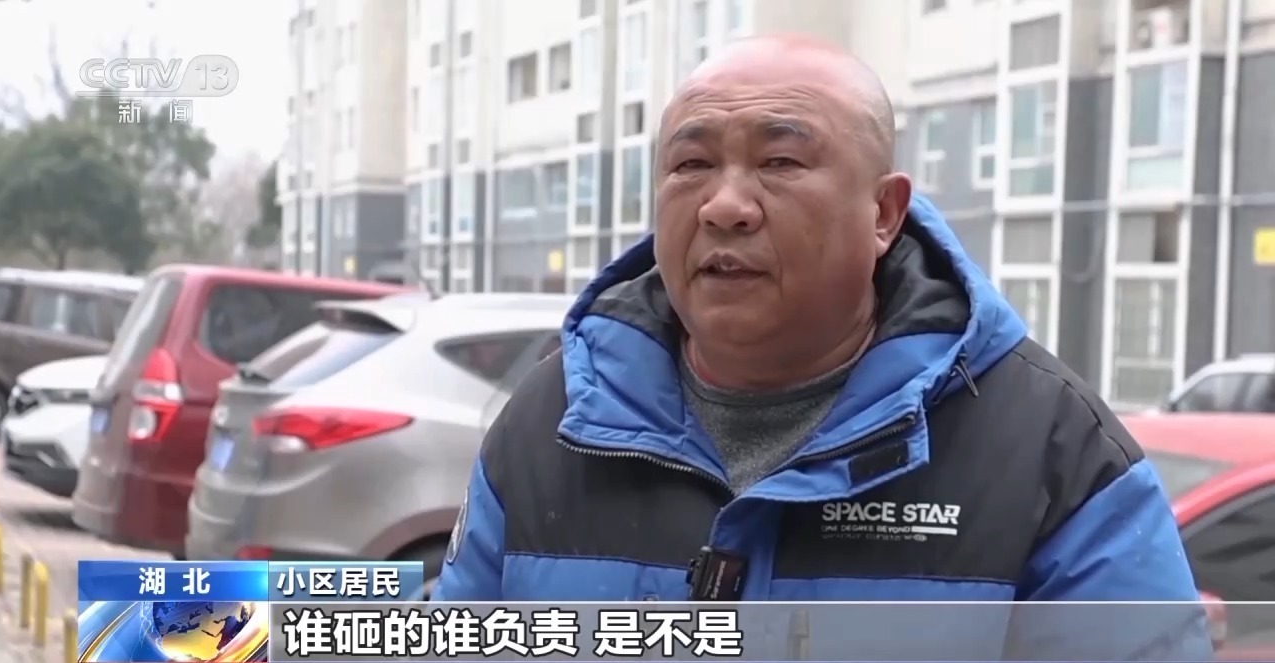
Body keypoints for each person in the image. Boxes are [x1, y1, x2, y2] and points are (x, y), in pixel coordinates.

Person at [433, 35, 1209, 659]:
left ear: (884, 213)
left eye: (780, 162)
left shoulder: (1051, 451)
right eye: (692, 164)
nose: (725, 205)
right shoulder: (550, 421)